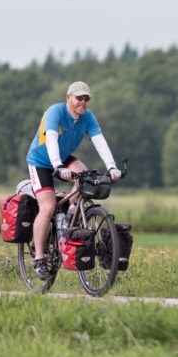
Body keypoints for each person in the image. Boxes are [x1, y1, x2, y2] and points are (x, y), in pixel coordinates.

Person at [26, 81, 121, 280]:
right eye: (79, 97)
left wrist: (112, 166)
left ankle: (69, 217)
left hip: (64, 156)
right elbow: (51, 138)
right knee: (48, 206)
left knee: (86, 178)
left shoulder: (87, 117)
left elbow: (99, 141)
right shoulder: (55, 112)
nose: (83, 102)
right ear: (68, 97)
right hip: (41, 160)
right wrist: (57, 166)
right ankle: (40, 259)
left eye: (86, 98)